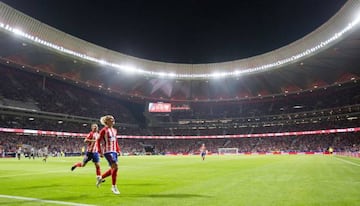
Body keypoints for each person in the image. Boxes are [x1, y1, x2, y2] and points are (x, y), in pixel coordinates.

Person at [96, 115, 121, 195]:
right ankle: (113, 187)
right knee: (115, 166)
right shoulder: (104, 130)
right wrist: (100, 151)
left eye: (113, 119)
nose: (113, 120)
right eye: (111, 119)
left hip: (114, 151)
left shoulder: (114, 130)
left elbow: (116, 141)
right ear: (106, 122)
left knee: (114, 169)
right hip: (107, 151)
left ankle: (101, 177)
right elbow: (98, 141)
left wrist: (118, 149)